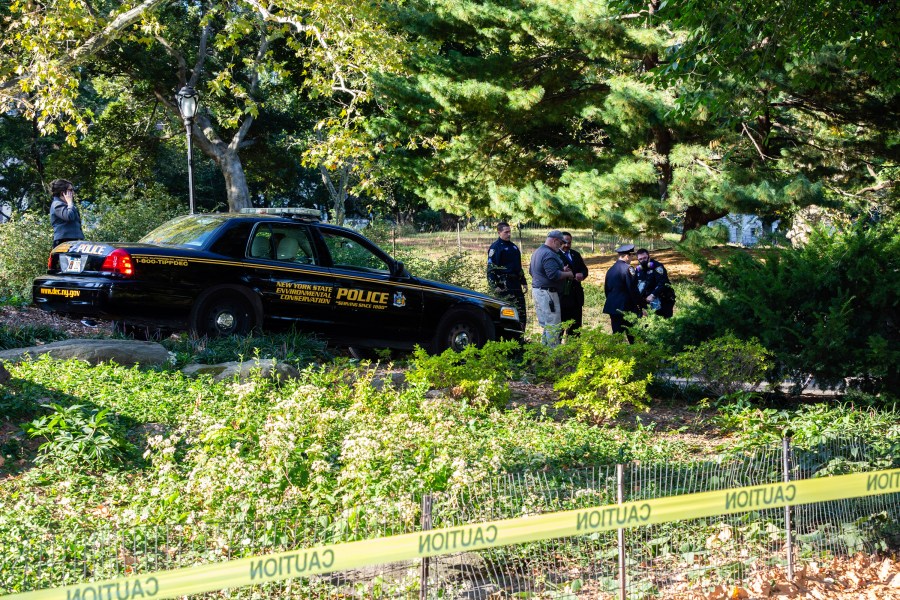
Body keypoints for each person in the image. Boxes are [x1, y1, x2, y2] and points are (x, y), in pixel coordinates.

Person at [529, 230, 576, 346]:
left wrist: (561, 270)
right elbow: (553, 275)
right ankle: (553, 357)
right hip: (548, 294)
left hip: (538, 291)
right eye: (560, 243)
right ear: (555, 241)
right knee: (553, 326)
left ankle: (544, 352)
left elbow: (532, 271)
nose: (561, 246)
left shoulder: (538, 251)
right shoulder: (549, 254)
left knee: (547, 324)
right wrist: (568, 274)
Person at [487, 222, 527, 329]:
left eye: (510, 232)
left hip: (516, 284)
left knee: (521, 312)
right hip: (504, 285)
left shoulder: (514, 247)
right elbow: (491, 269)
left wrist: (524, 282)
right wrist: (493, 286)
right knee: (508, 313)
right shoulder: (495, 248)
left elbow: (518, 267)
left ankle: (521, 338)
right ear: (499, 232)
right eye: (506, 232)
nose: (509, 234)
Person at [602, 243, 642, 342]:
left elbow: (607, 289)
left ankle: (616, 355)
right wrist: (640, 305)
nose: (632, 258)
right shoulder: (628, 269)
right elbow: (632, 289)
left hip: (613, 306)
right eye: (632, 255)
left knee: (617, 335)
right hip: (626, 307)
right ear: (627, 256)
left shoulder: (611, 269)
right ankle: (635, 355)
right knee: (632, 334)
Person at [558, 232, 588, 334]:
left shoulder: (575, 254)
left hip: (576, 297)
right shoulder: (555, 255)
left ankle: (574, 349)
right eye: (564, 242)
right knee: (560, 328)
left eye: (569, 243)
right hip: (562, 297)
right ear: (559, 241)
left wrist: (582, 274)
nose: (566, 245)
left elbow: (585, 270)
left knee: (576, 328)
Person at [635, 248, 676, 318]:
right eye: (640, 259)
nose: (643, 260)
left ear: (649, 256)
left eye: (644, 258)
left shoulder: (657, 266)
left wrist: (653, 295)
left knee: (664, 323)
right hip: (648, 302)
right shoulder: (639, 270)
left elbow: (663, 283)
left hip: (663, 299)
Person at [49, 179, 84, 248]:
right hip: (63, 243)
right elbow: (69, 216)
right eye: (70, 190)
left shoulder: (67, 205)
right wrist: (70, 203)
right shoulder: (57, 204)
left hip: (73, 242)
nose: (73, 192)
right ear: (63, 193)